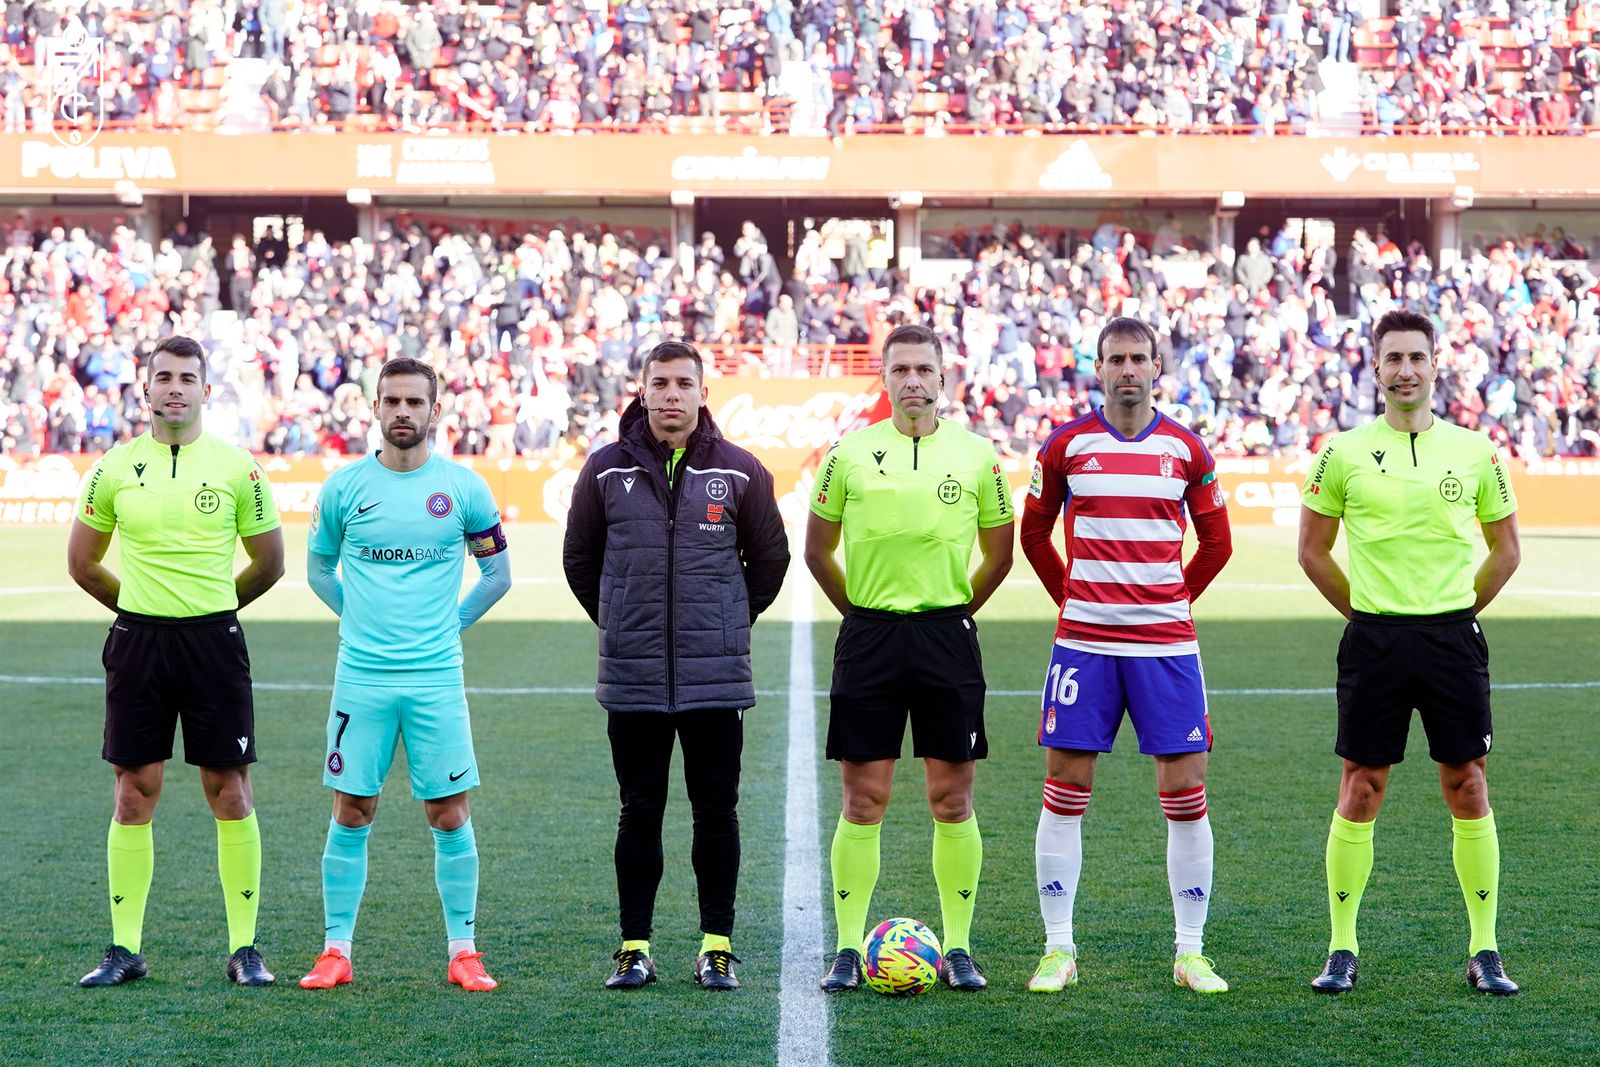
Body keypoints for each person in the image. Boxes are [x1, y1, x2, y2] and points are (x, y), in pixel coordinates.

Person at [1299, 309, 1521, 996]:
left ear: (1435, 364)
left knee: (1469, 783)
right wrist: (1368, 612)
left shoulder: (1477, 451)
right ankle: (1341, 948)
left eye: (1416, 357)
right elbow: (1312, 551)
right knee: (1361, 786)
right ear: (1374, 367)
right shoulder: (1341, 452)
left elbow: (1506, 550)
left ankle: (1485, 949)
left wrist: (1456, 612)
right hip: (1374, 639)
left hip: (1453, 638)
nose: (1405, 370)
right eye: (1392, 358)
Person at [563, 340, 788, 992]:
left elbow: (768, 562)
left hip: (714, 676)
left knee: (716, 810)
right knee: (640, 809)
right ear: (641, 389)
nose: (670, 394)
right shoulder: (605, 470)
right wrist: (623, 621)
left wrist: (726, 623)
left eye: (683, 383)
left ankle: (716, 945)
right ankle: (635, 946)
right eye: (659, 382)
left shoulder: (741, 471)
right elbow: (581, 562)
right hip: (633, 675)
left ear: (702, 392)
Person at [1018, 316, 1234, 995]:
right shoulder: (1066, 445)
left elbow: (1217, 543)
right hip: (1084, 646)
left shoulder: (1188, 450)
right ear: (1099, 368)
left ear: (1157, 366)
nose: (1129, 369)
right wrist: (1076, 598)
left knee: (1186, 794)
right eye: (1117, 359)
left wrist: (1166, 598)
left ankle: (1191, 951)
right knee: (1066, 789)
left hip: (1166, 648)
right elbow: (1033, 533)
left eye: (1140, 358)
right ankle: (1058, 948)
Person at [67, 335, 285, 987]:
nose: (175, 387)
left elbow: (270, 562)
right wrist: (137, 606)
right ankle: (123, 948)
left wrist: (214, 606)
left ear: (206, 389)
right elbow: (83, 563)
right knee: (135, 790)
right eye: (163, 376)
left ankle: (245, 948)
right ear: (145, 388)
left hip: (213, 642)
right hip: (138, 642)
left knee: (229, 788)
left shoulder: (237, 467)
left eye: (187, 377)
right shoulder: (111, 468)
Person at [805, 323, 1015, 993]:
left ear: (944, 377)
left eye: (924, 368)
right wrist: (861, 613)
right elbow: (818, 550)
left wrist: (953, 613)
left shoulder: (979, 455)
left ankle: (957, 947)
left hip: (947, 638)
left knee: (951, 797)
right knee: (863, 798)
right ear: (886, 379)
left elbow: (999, 553)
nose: (913, 380)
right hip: (868, 636)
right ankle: (845, 947)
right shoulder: (848, 454)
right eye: (901, 369)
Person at [297, 357, 512, 993]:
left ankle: (464, 951)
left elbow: (497, 575)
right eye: (391, 401)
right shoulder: (343, 489)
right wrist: (360, 622)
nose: (402, 413)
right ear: (375, 410)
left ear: (434, 411)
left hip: (435, 678)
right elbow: (318, 570)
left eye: (414, 402)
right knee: (352, 808)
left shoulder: (465, 489)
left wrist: (448, 627)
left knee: (449, 813)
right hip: (360, 677)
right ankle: (336, 950)